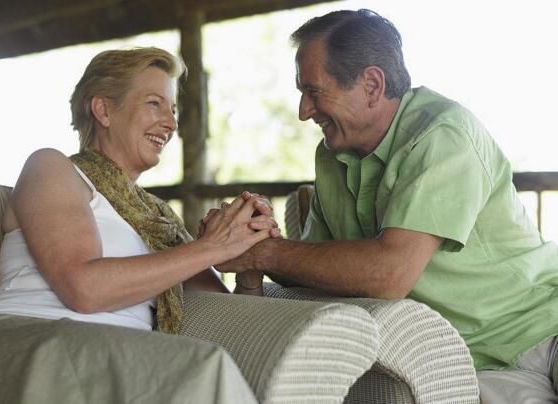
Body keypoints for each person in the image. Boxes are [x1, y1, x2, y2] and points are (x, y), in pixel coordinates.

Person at [215, 9, 558, 403]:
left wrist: (267, 253)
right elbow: (311, 271)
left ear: (372, 85)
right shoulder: (331, 156)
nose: (303, 111)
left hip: (545, 328)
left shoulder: (441, 134)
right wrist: (255, 236)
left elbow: (389, 274)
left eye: (314, 91)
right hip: (469, 361)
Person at [0, 46, 280, 403]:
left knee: (205, 363)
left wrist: (247, 261)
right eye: (154, 103)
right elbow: (83, 288)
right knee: (203, 368)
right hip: (35, 340)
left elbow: (223, 319)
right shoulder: (52, 168)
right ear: (103, 110)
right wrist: (210, 246)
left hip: (119, 353)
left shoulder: (159, 220)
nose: (172, 123)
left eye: (172, 109)